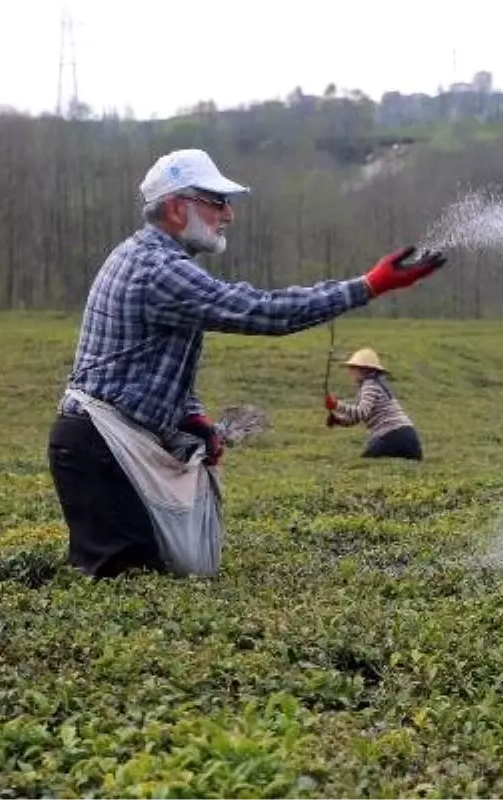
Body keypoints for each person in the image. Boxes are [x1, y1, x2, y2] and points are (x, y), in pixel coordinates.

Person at [47, 148, 446, 578]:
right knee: (127, 585)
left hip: (102, 445)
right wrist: (367, 286)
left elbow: (151, 363)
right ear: (179, 208)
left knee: (152, 577)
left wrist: (190, 416)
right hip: (102, 452)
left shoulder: (151, 258)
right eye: (217, 202)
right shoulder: (158, 269)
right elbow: (262, 311)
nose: (229, 215)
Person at [325, 348, 423, 460]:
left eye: (353, 367)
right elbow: (356, 418)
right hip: (407, 437)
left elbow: (361, 413)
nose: (350, 371)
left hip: (392, 435)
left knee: (365, 463)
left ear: (364, 369)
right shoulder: (375, 383)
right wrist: (338, 420)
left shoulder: (370, 385)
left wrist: (337, 405)